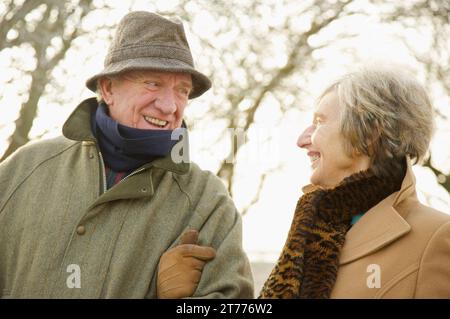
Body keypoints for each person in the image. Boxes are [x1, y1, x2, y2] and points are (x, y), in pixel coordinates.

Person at [0, 11, 254, 298]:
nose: (170, 106)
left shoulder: (207, 202)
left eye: (182, 90)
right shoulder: (23, 170)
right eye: (153, 83)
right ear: (108, 88)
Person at [158, 66, 450, 298]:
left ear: (370, 133)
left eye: (320, 122)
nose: (302, 140)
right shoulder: (313, 224)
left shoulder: (436, 238)